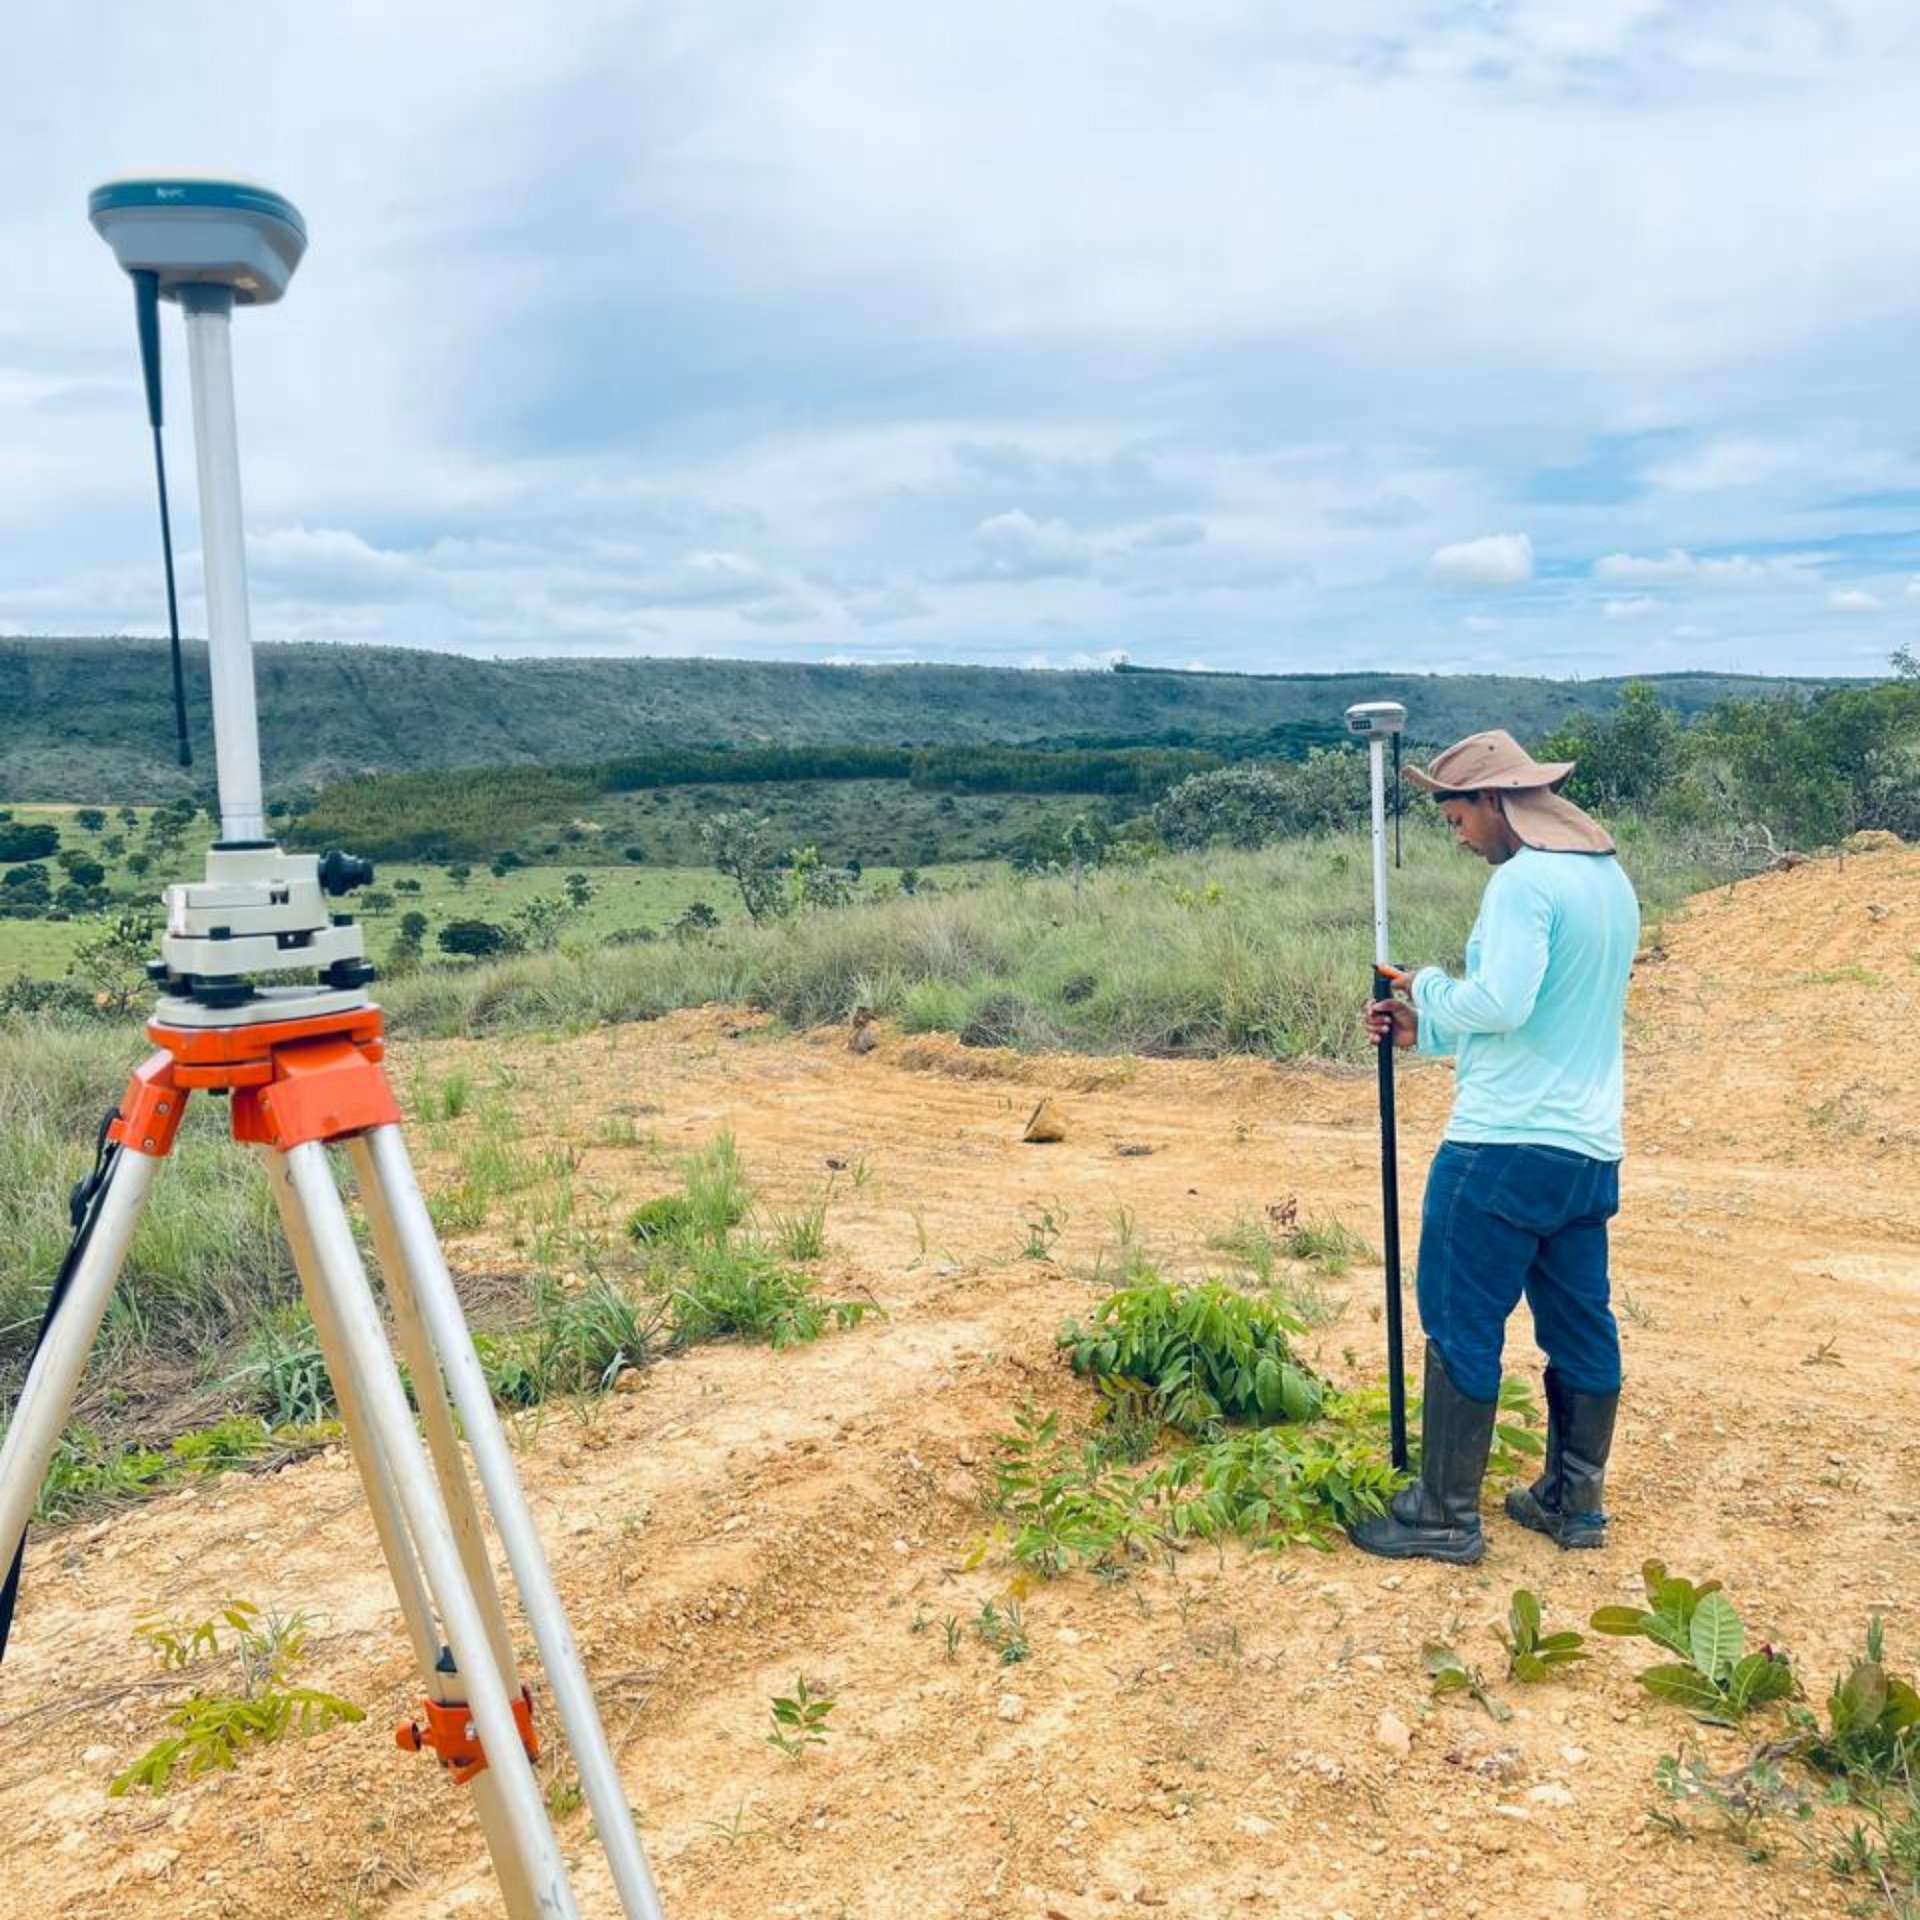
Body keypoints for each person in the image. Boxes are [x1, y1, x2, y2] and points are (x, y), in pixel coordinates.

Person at [1350, 729, 1639, 1565]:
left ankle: (1442, 1513)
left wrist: (1429, 984)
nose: (1460, 836)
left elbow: (1505, 1001)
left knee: (1460, 1318)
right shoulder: (1608, 881)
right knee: (1579, 1320)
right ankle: (1572, 1501)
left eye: (1456, 819)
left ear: (1494, 800)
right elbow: (1545, 1015)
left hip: (1500, 1149)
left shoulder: (1523, 883)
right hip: (1586, 1151)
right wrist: (1426, 1028)